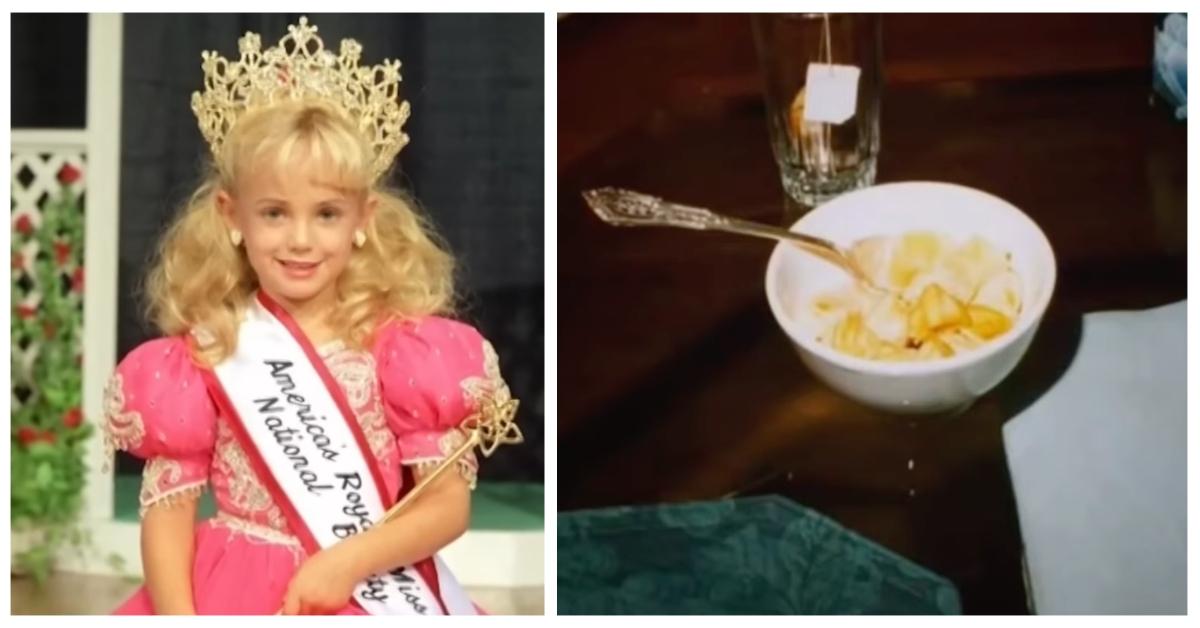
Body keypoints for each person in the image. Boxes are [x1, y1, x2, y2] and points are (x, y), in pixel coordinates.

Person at [103, 17, 519, 615]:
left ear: (363, 219)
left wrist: (348, 562)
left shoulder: (405, 349)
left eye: (326, 213)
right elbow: (166, 517)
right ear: (232, 215)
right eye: (274, 212)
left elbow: (446, 504)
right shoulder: (207, 349)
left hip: (369, 586)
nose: (300, 239)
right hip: (229, 589)